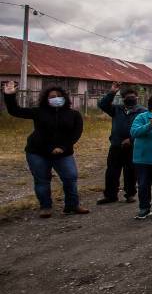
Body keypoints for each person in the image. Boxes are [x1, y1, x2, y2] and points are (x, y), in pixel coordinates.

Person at [2, 81, 89, 217]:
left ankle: (72, 205)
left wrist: (62, 147)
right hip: (37, 152)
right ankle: (45, 207)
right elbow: (15, 111)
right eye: (51, 96)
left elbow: (76, 133)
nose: (55, 98)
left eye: (58, 96)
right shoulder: (38, 112)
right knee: (42, 180)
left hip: (63, 153)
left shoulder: (74, 114)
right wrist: (9, 96)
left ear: (64, 97)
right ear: (45, 99)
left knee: (70, 177)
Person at [96, 83, 145, 205]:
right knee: (112, 171)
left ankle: (130, 194)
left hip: (133, 147)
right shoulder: (116, 109)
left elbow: (145, 129)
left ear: (137, 97)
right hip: (116, 145)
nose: (130, 98)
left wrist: (131, 139)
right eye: (128, 96)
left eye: (133, 96)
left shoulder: (142, 111)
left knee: (131, 172)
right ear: (123, 98)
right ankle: (110, 195)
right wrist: (112, 92)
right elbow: (102, 105)